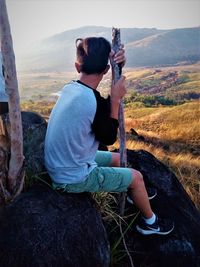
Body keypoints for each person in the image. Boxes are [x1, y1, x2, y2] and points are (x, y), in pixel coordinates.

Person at [44, 37, 174, 235]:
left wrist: (118, 67)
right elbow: (108, 137)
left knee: (117, 158)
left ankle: (132, 194)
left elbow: (97, 111)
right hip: (71, 177)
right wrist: (115, 99)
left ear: (77, 66)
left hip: (64, 162)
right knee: (137, 178)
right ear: (105, 70)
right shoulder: (89, 101)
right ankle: (150, 223)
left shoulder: (72, 89)